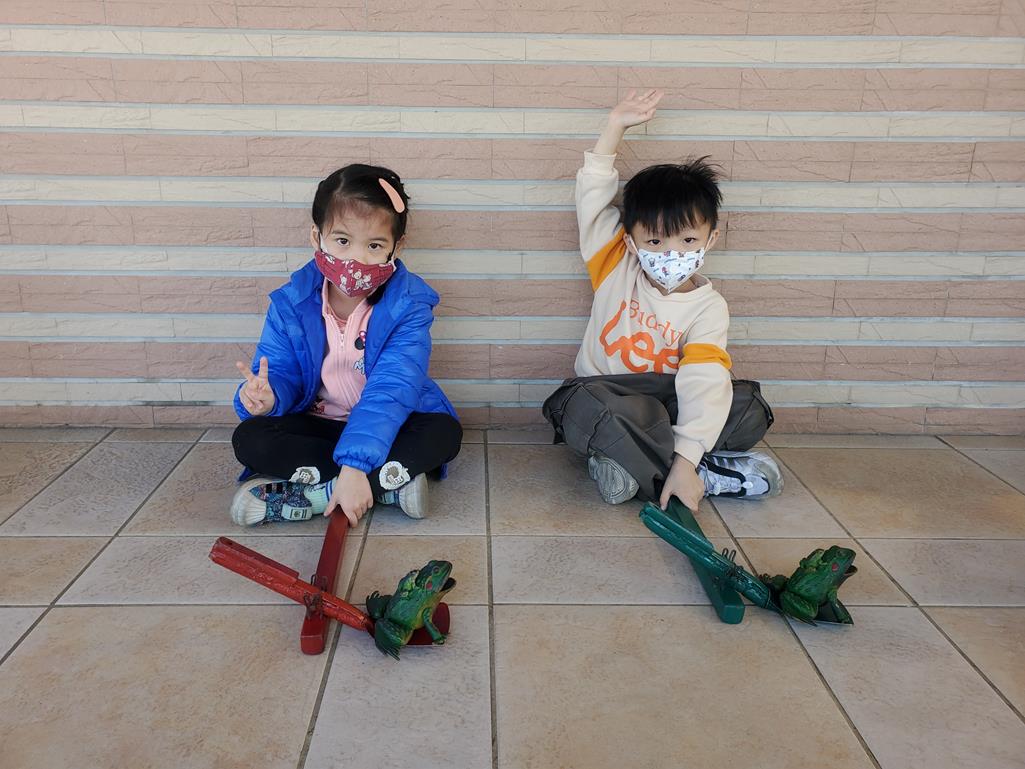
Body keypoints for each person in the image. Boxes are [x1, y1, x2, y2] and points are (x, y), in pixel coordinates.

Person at [542, 90, 782, 512]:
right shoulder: (615, 265)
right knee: (582, 409)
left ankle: (642, 467)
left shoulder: (709, 307)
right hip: (609, 394)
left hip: (670, 401)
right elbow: (592, 200)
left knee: (747, 407)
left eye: (687, 240)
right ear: (631, 243)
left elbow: (702, 379)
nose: (672, 254)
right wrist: (613, 128)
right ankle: (702, 473)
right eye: (655, 242)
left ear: (711, 239)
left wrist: (684, 451)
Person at [229, 164, 462, 527]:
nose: (356, 259)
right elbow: (282, 371)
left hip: (390, 422)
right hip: (319, 424)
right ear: (316, 237)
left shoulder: (408, 306)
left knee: (443, 433)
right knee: (250, 438)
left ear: (396, 247)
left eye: (374, 246)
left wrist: (355, 463)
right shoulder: (291, 303)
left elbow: (393, 388)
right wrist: (269, 398)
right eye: (342, 241)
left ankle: (317, 493)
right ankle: (385, 485)